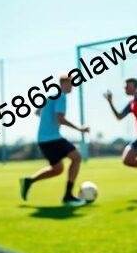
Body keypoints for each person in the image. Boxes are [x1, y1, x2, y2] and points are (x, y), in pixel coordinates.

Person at [20, 73, 90, 206]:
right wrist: (80, 129)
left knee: (57, 169)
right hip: (52, 138)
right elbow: (60, 119)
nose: (72, 87)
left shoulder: (49, 96)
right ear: (63, 84)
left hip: (43, 140)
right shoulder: (61, 97)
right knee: (77, 158)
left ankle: (29, 181)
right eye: (70, 84)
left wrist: (47, 120)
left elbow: (37, 112)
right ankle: (68, 197)